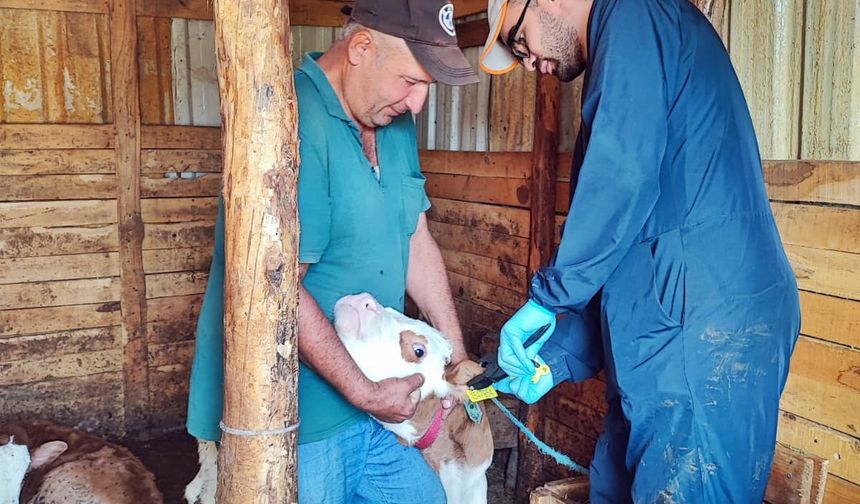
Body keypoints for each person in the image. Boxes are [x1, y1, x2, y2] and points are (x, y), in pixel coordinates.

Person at [478, 0, 801, 502]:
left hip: (700, 331)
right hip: (663, 332)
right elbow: (622, 239)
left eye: (521, 42)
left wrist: (550, 297)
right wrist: (557, 357)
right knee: (613, 484)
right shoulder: (625, 49)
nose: (529, 63)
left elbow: (620, 179)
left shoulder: (634, 14)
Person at [186, 1, 478, 502]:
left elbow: (415, 238)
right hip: (297, 417)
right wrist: (367, 393)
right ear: (361, 48)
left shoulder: (391, 120)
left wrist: (455, 364)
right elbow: (274, 286)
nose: (418, 104)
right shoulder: (287, 118)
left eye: (427, 86)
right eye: (412, 81)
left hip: (379, 407)